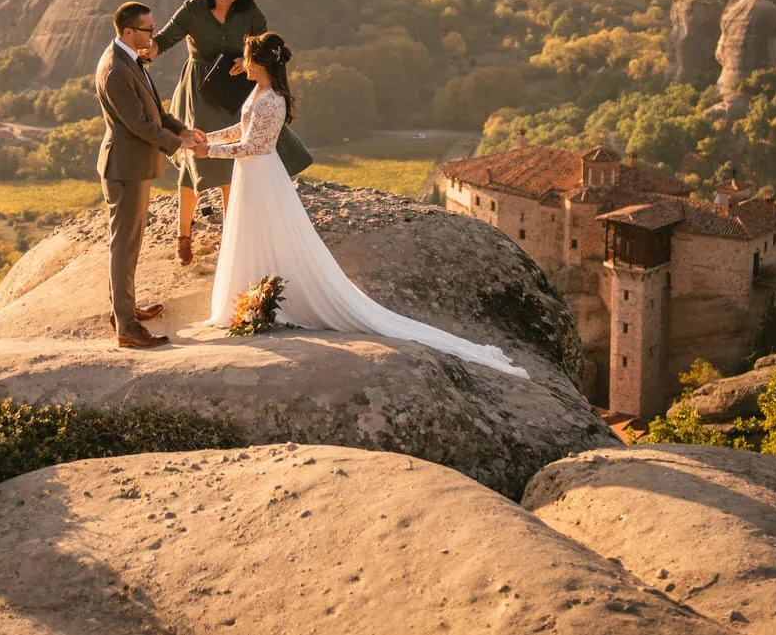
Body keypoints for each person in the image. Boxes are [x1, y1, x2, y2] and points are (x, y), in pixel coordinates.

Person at [202, 32, 530, 379]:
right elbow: (242, 128)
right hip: (251, 176)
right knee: (252, 234)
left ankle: (267, 299)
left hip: (261, 173)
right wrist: (206, 138)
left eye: (247, 57)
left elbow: (256, 146)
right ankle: (250, 295)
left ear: (261, 62)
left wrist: (207, 151)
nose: (242, 63)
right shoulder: (261, 92)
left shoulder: (272, 100)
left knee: (267, 233)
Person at [149, 0, 310, 266]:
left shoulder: (248, 12)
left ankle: (232, 235)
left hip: (237, 87)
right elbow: (164, 40)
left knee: (234, 163)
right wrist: (145, 50)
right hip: (200, 90)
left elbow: (264, 45)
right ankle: (183, 236)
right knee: (193, 160)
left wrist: (244, 59)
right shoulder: (192, 9)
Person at [94, 0, 206, 349]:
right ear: (128, 31)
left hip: (134, 165)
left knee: (129, 244)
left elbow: (156, 111)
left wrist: (184, 130)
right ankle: (126, 329)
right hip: (124, 168)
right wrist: (178, 144)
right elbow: (139, 124)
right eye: (148, 29)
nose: (153, 35)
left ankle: (123, 311)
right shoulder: (116, 69)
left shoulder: (130, 59)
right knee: (124, 247)